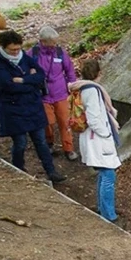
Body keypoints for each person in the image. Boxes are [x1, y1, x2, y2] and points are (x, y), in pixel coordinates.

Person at [0, 30, 65, 182]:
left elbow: (40, 75)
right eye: (12, 50)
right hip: (13, 110)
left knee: (41, 141)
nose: (16, 52)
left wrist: (24, 80)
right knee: (20, 143)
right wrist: (31, 81)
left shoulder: (24, 56)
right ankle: (19, 169)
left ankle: (51, 171)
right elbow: (8, 86)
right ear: (4, 47)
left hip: (32, 107)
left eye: (18, 48)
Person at [69, 59, 121, 224]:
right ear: (99, 73)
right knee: (108, 175)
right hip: (97, 138)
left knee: (104, 173)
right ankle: (108, 214)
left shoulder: (81, 88)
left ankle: (103, 208)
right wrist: (106, 134)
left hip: (91, 137)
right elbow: (94, 118)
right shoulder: (92, 90)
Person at [28, 26, 77, 160]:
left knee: (65, 122)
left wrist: (71, 85)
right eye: (52, 42)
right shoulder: (32, 54)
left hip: (61, 93)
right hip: (42, 95)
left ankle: (69, 148)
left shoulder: (60, 52)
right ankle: (49, 143)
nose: (55, 45)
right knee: (47, 122)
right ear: (43, 41)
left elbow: (70, 70)